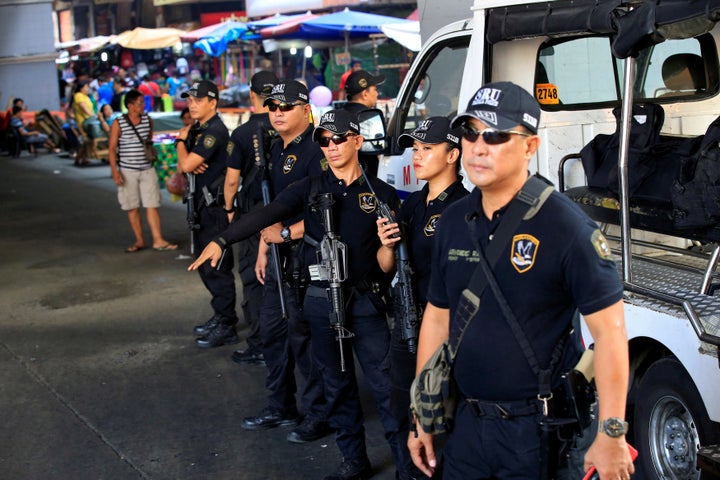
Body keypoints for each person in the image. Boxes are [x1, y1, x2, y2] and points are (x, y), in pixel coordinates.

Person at [407, 82, 634, 480]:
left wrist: (611, 433)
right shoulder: (454, 223)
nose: (479, 147)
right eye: (471, 133)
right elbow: (438, 317)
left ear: (529, 147)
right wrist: (422, 414)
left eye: (495, 135)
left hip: (538, 432)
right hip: (467, 425)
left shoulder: (566, 227)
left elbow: (611, 333)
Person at [189, 109, 404, 480]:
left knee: (386, 388)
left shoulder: (380, 194)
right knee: (336, 385)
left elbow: (388, 266)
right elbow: (267, 213)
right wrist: (223, 239)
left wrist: (387, 249)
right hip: (320, 301)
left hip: (366, 303)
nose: (331, 146)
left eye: (338, 139)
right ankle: (353, 458)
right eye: (324, 141)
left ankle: (407, 465)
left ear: (357, 140)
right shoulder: (310, 187)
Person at [235, 79, 330, 445]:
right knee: (273, 332)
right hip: (277, 256)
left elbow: (326, 209)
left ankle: (319, 413)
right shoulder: (277, 149)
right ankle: (280, 406)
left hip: (307, 256)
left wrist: (285, 236)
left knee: (304, 338)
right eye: (272, 107)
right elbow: (274, 208)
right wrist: (264, 244)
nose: (277, 113)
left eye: (285, 107)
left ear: (305, 109)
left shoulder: (317, 150)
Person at [376, 116, 469, 480]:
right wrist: (386, 245)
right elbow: (386, 267)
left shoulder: (464, 207)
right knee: (402, 408)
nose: (417, 155)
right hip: (405, 323)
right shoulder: (412, 204)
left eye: (427, 148)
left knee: (441, 415)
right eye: (415, 148)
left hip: (445, 331)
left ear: (452, 155)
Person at [176, 80, 239, 349]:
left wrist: (180, 141)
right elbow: (189, 166)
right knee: (205, 266)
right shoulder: (200, 129)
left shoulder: (213, 131)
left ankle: (227, 324)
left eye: (198, 100)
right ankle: (220, 315)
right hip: (202, 207)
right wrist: (188, 152)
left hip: (214, 210)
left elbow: (187, 164)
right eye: (190, 99)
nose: (192, 104)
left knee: (217, 268)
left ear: (213, 102)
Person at [222, 71, 279, 367]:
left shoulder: (242, 134)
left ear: (251, 95)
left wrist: (229, 209)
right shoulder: (287, 125)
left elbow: (232, 182)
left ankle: (260, 344)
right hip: (286, 213)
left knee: (254, 278)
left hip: (256, 214)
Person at [108, 89, 178, 255]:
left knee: (152, 204)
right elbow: (112, 148)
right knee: (132, 206)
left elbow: (148, 141)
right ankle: (139, 240)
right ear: (130, 106)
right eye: (140, 103)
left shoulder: (148, 120)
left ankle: (157, 239)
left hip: (147, 169)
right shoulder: (118, 123)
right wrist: (115, 171)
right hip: (127, 170)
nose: (143, 105)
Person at [343, 70, 385, 177]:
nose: (377, 93)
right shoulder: (371, 117)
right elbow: (380, 153)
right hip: (370, 177)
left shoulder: (339, 115)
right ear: (365, 94)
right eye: (375, 89)